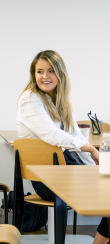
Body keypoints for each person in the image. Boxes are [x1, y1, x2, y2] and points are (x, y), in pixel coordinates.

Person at [16, 50, 108, 244]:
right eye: (40, 71)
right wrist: (91, 149)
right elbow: (53, 135)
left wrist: (97, 170)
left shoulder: (61, 102)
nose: (45, 76)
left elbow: (74, 137)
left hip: (66, 170)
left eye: (50, 71)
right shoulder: (29, 99)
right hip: (47, 179)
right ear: (34, 74)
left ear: (60, 74)